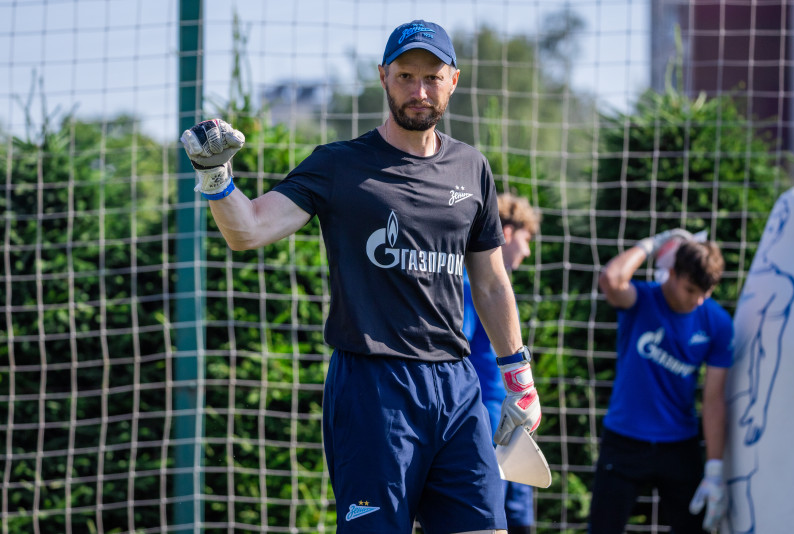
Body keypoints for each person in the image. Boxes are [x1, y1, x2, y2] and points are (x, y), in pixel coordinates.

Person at [180, 20, 542, 534]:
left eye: (432, 77)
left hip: (456, 387)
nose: (419, 91)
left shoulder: (472, 167)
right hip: (373, 388)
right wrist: (217, 178)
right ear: (383, 76)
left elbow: (489, 282)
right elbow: (250, 230)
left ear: (454, 80)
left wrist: (518, 378)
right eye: (405, 76)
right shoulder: (339, 165)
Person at [589, 229, 733, 533]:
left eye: (706, 293)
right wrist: (653, 243)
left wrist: (715, 468)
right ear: (672, 272)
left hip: (680, 446)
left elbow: (713, 399)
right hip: (624, 440)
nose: (697, 301)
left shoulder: (717, 322)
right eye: (691, 289)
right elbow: (611, 279)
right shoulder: (640, 299)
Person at [463, 193, 541, 534]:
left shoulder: (502, 291)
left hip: (511, 419)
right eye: (525, 239)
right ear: (506, 233)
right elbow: (456, 349)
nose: (526, 251)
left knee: (519, 520)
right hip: (484, 418)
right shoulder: (472, 287)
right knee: (485, 518)